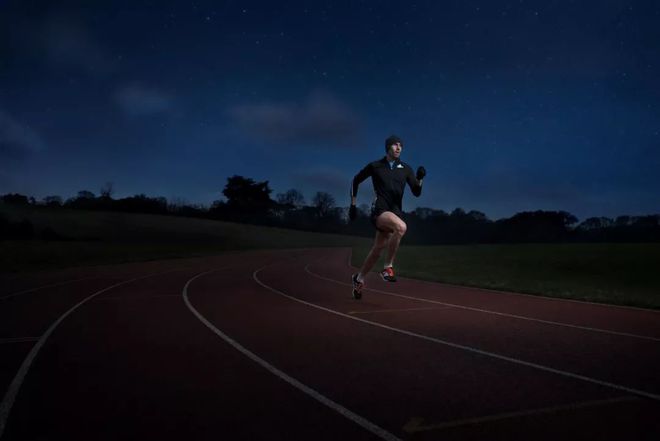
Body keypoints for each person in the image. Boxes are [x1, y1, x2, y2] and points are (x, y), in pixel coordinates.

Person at [348, 135, 426, 299]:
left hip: (395, 212)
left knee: (377, 250)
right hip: (380, 210)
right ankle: (387, 267)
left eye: (401, 146)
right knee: (401, 227)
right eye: (395, 145)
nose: (399, 148)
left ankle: (359, 278)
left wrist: (420, 179)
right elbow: (356, 180)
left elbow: (416, 192)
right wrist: (353, 205)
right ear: (387, 147)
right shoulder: (376, 166)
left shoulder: (406, 169)